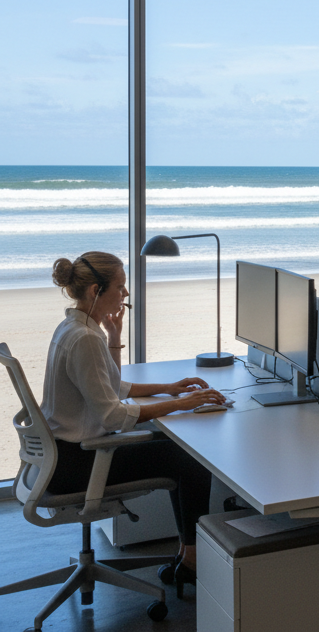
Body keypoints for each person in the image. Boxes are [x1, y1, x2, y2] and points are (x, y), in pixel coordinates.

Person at [43, 252, 226, 594]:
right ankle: (192, 559)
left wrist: (168, 388)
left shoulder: (75, 327)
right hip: (78, 463)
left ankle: (189, 553)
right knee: (189, 458)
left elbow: (109, 385)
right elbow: (112, 414)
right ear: (96, 290)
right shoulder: (84, 338)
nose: (125, 296)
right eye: (121, 287)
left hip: (61, 455)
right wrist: (181, 404)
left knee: (174, 448)